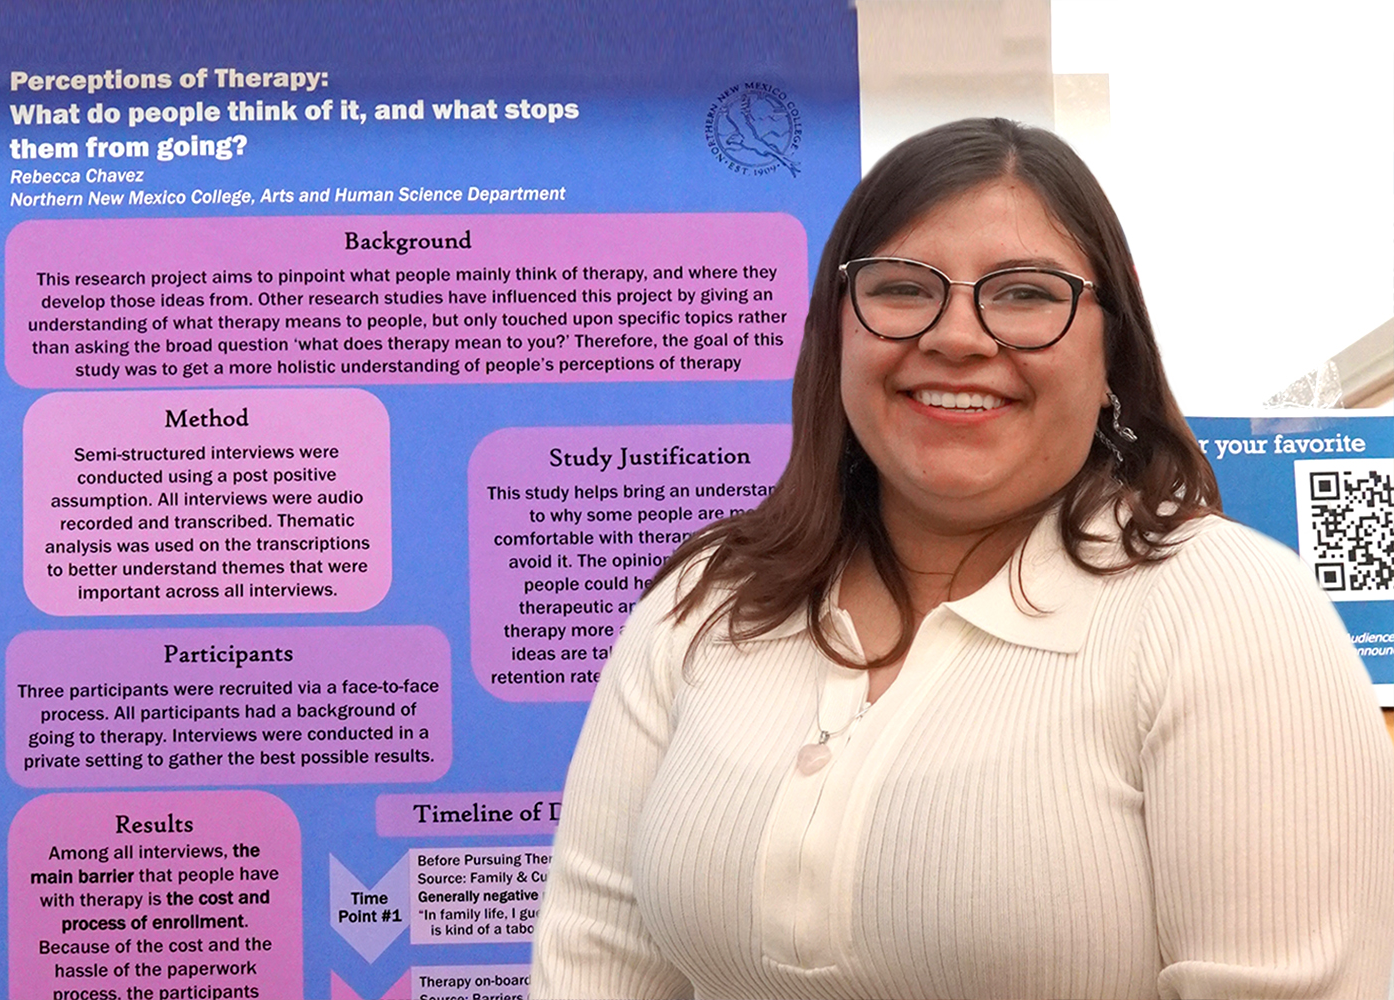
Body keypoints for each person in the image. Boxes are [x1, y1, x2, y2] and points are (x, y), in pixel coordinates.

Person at [530, 118, 1394, 999]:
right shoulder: (710, 598)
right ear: (837, 330)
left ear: (1113, 347)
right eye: (904, 288)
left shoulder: (1223, 608)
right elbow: (593, 964)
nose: (957, 337)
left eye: (1025, 294)